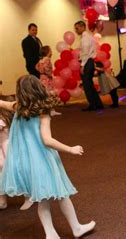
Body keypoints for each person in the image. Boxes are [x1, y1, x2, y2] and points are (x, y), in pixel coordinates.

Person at [0, 75, 95, 238]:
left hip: (27, 161)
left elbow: (2, 103)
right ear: (38, 89)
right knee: (62, 195)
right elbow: (47, 140)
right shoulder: (42, 112)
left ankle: (51, 234)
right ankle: (76, 228)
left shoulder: (18, 108)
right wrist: (70, 149)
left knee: (42, 199)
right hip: (43, 159)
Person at [74, 21, 104, 111]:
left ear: (83, 27)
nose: (76, 30)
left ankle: (93, 105)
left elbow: (86, 53)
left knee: (87, 85)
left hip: (87, 62)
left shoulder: (85, 38)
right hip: (89, 61)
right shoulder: (89, 37)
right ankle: (98, 104)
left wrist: (82, 65)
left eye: (77, 28)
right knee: (89, 84)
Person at [36, 46, 61, 116]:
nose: (51, 52)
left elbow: (36, 67)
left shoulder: (41, 60)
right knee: (51, 93)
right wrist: (50, 74)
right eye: (50, 50)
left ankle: (47, 110)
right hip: (47, 78)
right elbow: (46, 68)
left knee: (45, 94)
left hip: (42, 77)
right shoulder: (47, 59)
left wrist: (41, 72)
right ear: (47, 52)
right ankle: (51, 110)